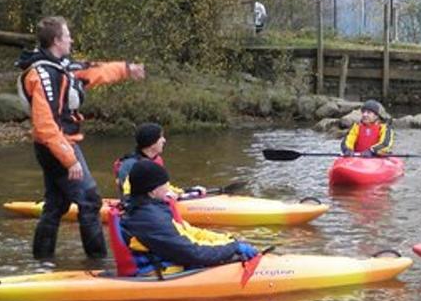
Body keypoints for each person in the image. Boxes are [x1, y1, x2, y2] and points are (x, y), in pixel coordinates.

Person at [16, 15, 146, 262]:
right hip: (56, 145)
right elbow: (45, 126)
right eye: (67, 35)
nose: (71, 39)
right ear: (56, 40)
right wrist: (69, 160)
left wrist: (127, 69)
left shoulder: (60, 65)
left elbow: (93, 71)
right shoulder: (42, 75)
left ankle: (42, 261)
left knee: (57, 204)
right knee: (89, 200)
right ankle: (97, 262)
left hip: (57, 144)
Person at [119, 160, 257, 272]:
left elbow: (189, 232)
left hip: (170, 261)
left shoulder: (152, 209)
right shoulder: (150, 218)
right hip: (161, 272)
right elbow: (193, 253)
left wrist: (228, 240)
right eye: (164, 185)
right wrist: (232, 249)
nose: (168, 189)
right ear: (152, 192)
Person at [113, 122, 205, 200]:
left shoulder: (156, 160)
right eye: (161, 137)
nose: (164, 140)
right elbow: (130, 197)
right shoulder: (130, 165)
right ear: (152, 142)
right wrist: (163, 197)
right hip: (137, 211)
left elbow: (164, 187)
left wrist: (190, 190)